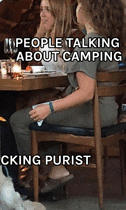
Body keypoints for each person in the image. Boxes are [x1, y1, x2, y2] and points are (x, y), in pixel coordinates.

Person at [10, 0, 125, 193]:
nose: (76, 9)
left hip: (92, 114)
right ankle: (53, 169)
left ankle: (42, 175)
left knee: (18, 119)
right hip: (107, 113)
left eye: (79, 4)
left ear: (87, 11)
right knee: (40, 112)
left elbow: (86, 92)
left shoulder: (88, 44)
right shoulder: (104, 41)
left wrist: (50, 108)